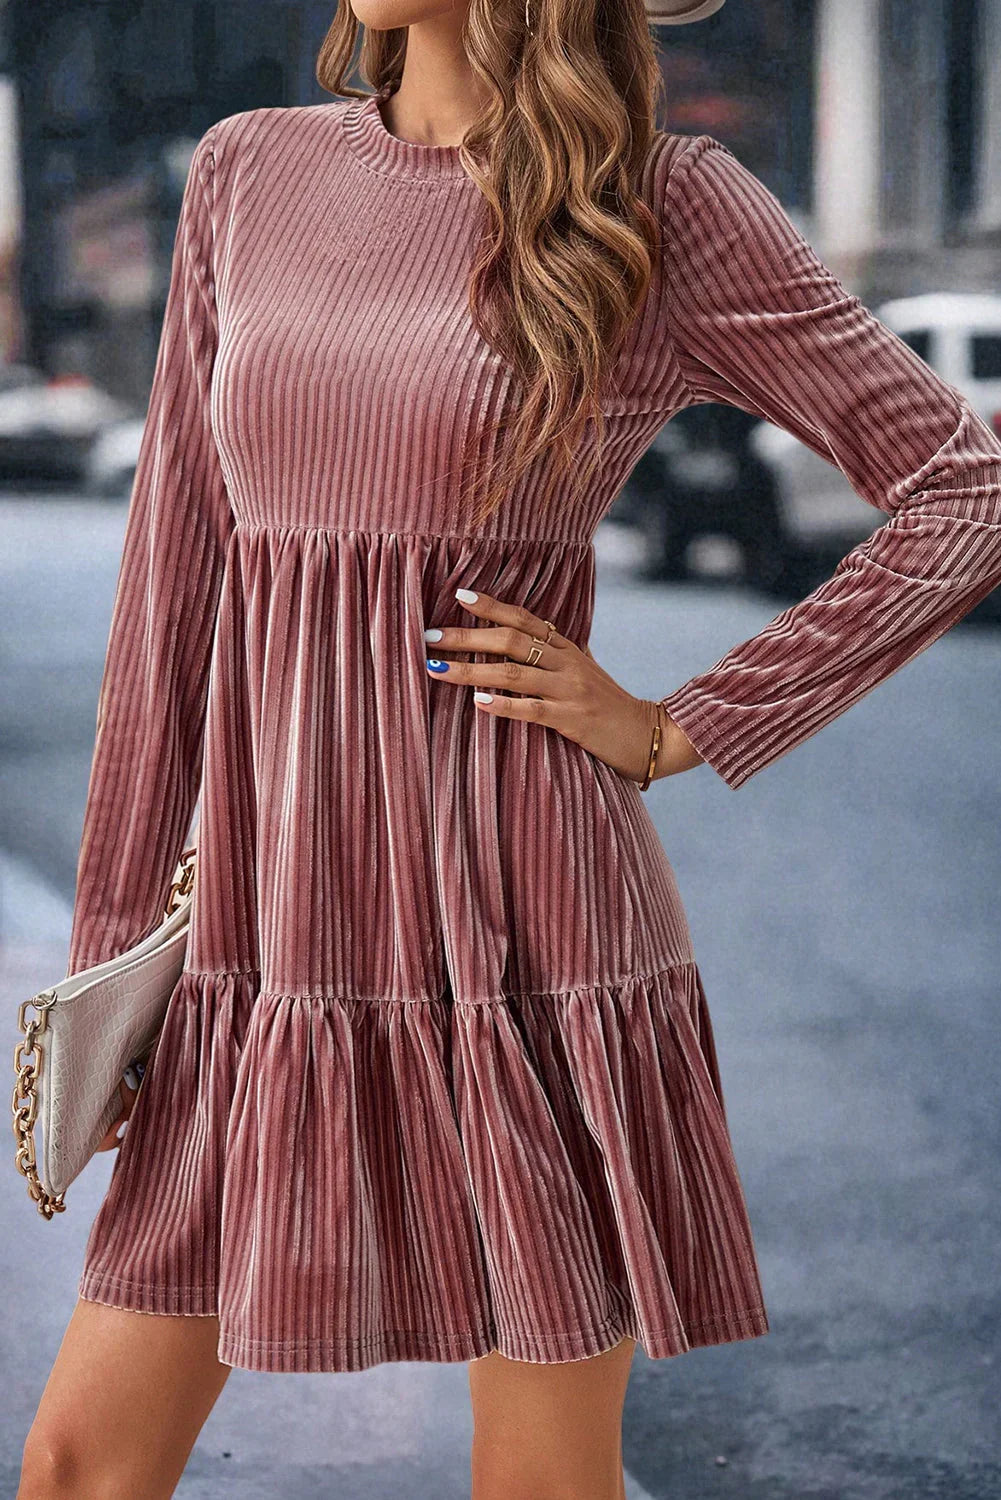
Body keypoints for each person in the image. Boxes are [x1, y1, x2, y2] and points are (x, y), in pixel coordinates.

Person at [17, 0, 1001, 1494]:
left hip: (522, 938)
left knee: (543, 1483)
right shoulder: (246, 172)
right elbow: (172, 598)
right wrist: (113, 966)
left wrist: (684, 721)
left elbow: (961, 485)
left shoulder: (660, 205)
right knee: (84, 1460)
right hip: (266, 944)